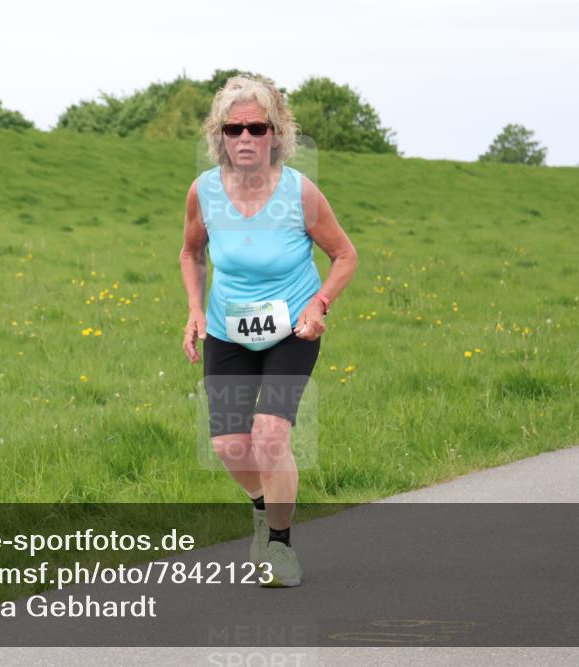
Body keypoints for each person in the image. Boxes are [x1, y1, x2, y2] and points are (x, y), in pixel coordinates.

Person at [179, 75, 357, 587]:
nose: (246, 138)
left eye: (258, 128)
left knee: (270, 436)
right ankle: (263, 508)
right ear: (220, 135)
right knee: (231, 447)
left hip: (292, 330)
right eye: (235, 129)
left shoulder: (301, 192)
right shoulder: (204, 192)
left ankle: (280, 546)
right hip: (229, 331)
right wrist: (195, 309)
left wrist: (320, 303)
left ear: (276, 134)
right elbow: (191, 252)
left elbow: (345, 255)